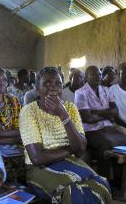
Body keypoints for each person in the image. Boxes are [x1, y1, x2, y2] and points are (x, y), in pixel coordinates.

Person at [19, 67, 112, 204]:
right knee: (73, 192)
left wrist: (63, 115)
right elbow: (38, 158)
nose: (53, 88)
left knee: (100, 184)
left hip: (71, 161)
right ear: (37, 89)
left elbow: (80, 149)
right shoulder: (29, 111)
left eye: (58, 83)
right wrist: (69, 150)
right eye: (47, 84)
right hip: (38, 169)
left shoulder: (69, 108)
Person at [75, 66, 126, 177]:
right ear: (86, 77)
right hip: (90, 130)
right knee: (106, 146)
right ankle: (105, 181)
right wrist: (107, 116)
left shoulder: (106, 90)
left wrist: (95, 111)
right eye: (94, 74)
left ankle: (120, 180)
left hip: (107, 128)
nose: (98, 76)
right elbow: (88, 119)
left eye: (99, 74)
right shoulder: (81, 93)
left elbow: (115, 111)